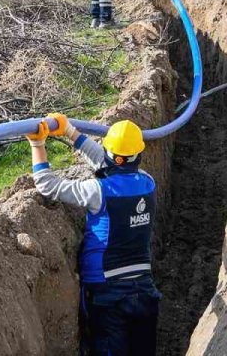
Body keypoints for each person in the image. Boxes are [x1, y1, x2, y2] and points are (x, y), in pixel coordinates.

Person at [26, 115, 162, 356]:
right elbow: (110, 163)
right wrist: (70, 132)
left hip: (106, 290)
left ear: (112, 155)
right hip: (144, 290)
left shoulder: (98, 191)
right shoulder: (148, 183)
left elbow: (47, 185)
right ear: (139, 154)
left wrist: (37, 145)